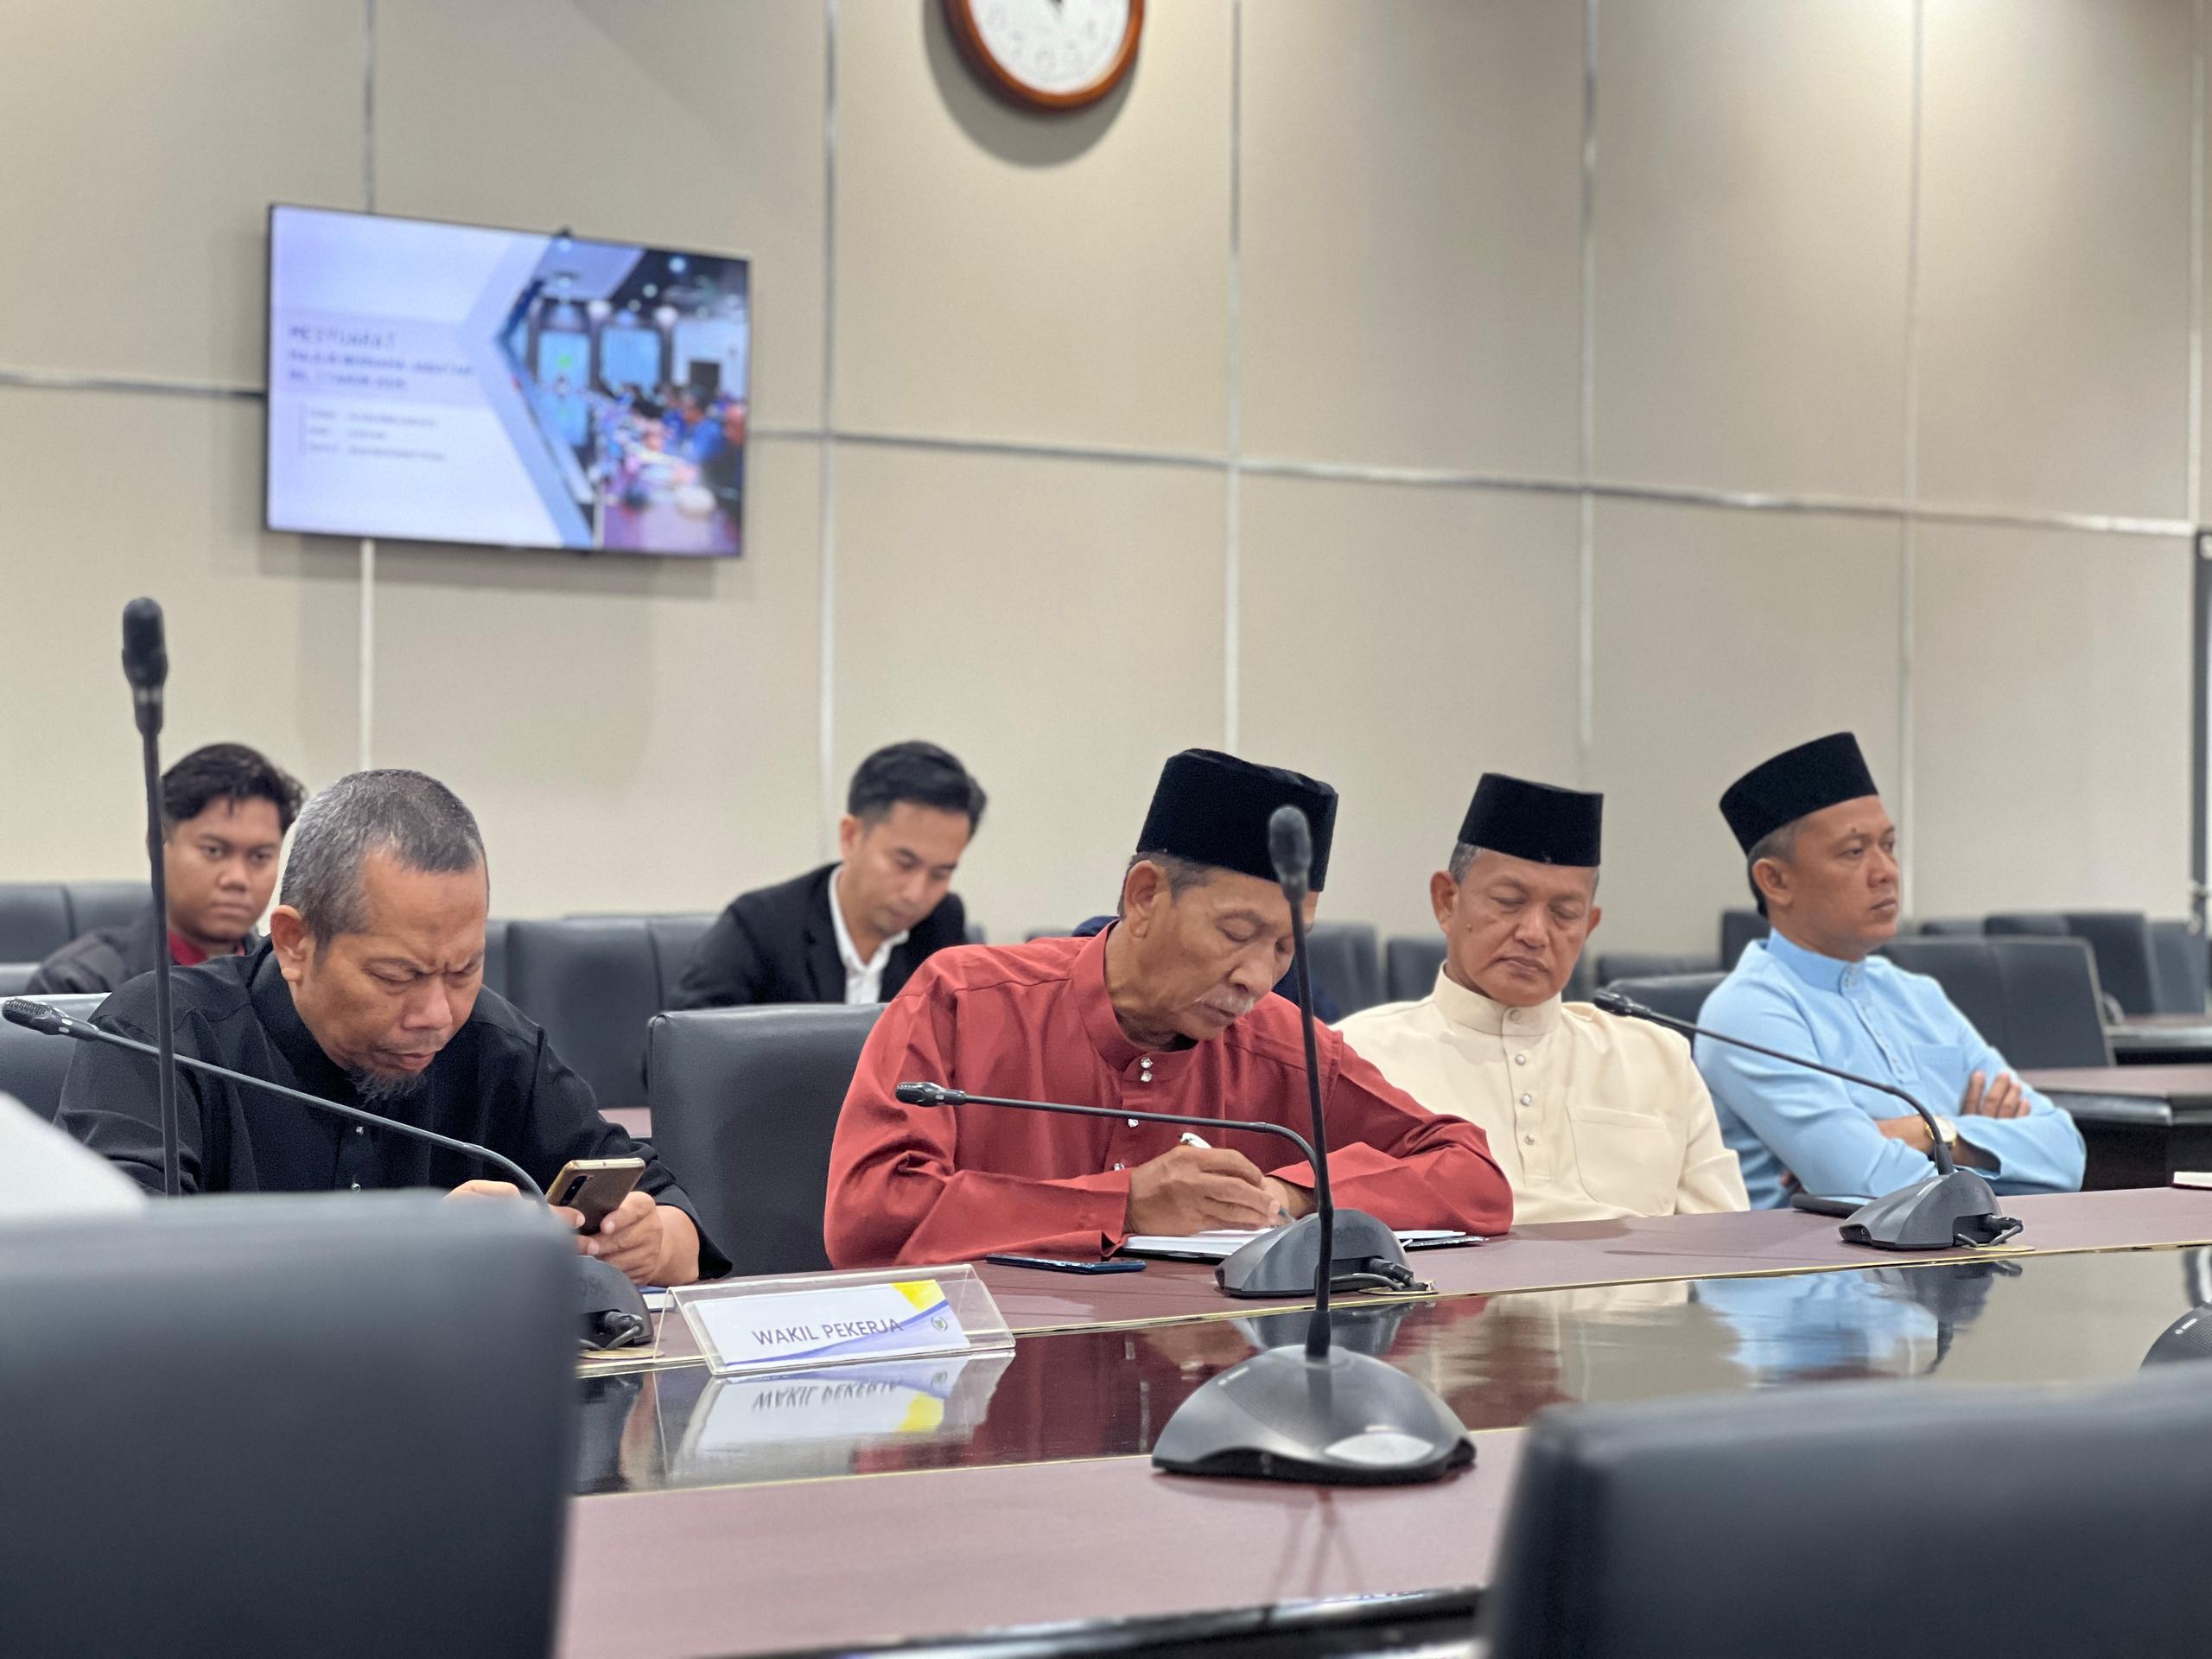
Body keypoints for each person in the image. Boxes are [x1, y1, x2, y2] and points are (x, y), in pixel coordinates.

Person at [823, 748, 1513, 1268]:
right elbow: (868, 1220)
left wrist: (1297, 1194)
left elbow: (1472, 1174)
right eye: (1236, 933)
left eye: (1286, 947)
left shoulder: (1282, 1044)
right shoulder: (964, 1001)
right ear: (1145, 896)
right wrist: (1122, 1206)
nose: (1256, 978)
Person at [56, 769, 726, 1286]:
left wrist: (651, 1242)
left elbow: (670, 1214)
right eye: (397, 976)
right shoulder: (161, 1034)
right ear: (294, 942)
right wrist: (407, 1250)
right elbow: (111, 1270)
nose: (437, 1014)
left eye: (463, 969)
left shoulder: (493, 1043)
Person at [1698, 732, 2085, 1207]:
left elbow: (2067, 1153)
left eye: (1889, 845)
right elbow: (1873, 1186)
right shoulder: (1747, 1012)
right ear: (1775, 881)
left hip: (1974, 1247)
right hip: (1819, 1256)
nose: (1886, 871)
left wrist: (1929, 1134)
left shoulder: (1916, 994)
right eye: (1854, 852)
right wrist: (1982, 1143)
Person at [1338, 773, 1747, 1222]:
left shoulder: (1659, 1059)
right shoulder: (1357, 1057)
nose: (1534, 933)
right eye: (1508, 901)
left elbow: (1726, 1236)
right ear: (1447, 901)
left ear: (1588, 927)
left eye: (1564, 913)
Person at [672, 741, 983, 1009]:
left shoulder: (942, 924)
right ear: (850, 837)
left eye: (940, 874)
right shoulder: (760, 926)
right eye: (904, 863)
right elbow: (683, 1049)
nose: (916, 894)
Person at [28, 743, 305, 996]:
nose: (237, 878)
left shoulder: (294, 984)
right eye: (214, 851)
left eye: (259, 856)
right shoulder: (76, 986)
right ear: (157, 846)